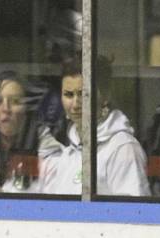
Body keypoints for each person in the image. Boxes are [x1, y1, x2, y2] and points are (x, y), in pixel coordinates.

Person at [38, 55, 150, 196]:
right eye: (68, 95)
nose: (75, 104)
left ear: (105, 96)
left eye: (83, 94)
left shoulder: (123, 148)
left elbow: (135, 214)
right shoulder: (65, 150)